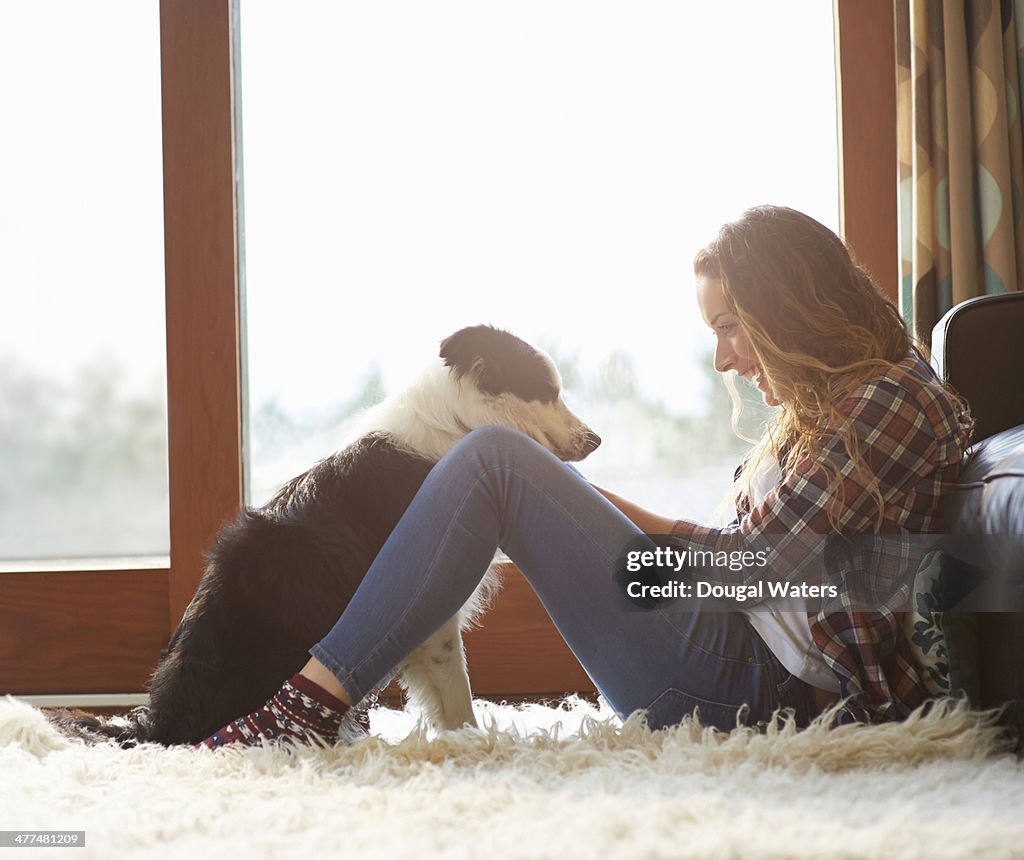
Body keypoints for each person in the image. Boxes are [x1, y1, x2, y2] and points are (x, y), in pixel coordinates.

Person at [196, 205, 973, 749]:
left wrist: (581, 518)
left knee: (495, 458)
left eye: (731, 326)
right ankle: (318, 697)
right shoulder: (847, 403)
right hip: (735, 660)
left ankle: (308, 705)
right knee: (503, 467)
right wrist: (578, 511)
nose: (724, 358)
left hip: (754, 691)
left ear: (791, 308)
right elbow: (755, 555)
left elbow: (756, 569)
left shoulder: (890, 399)